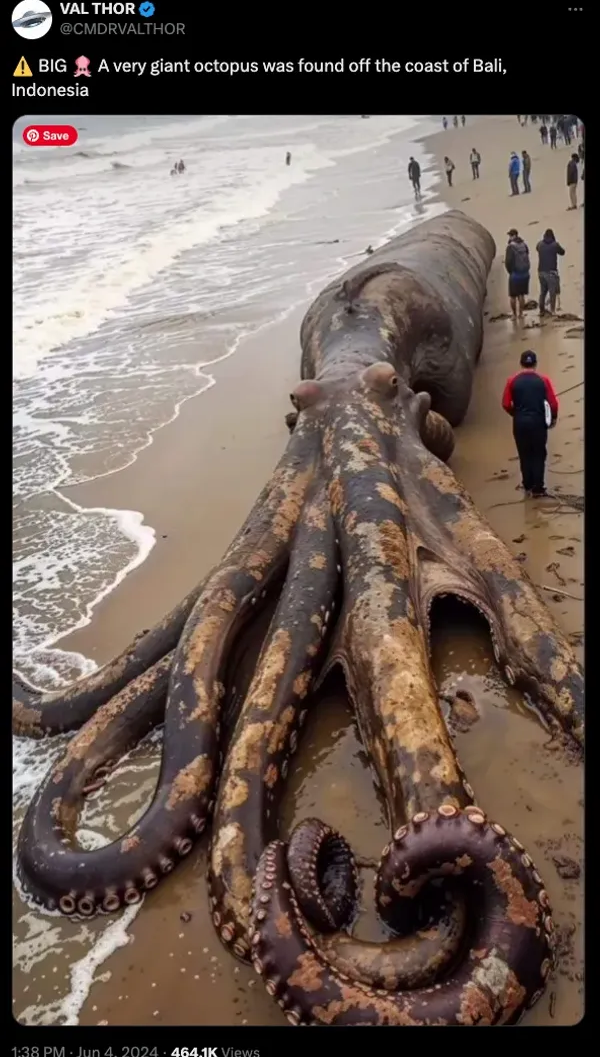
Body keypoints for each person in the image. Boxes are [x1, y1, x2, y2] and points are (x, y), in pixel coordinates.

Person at [501, 350, 558, 497]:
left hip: (520, 423)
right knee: (539, 453)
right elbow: (553, 403)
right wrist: (553, 418)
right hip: (538, 422)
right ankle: (538, 488)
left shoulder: (512, 381)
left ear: (521, 364)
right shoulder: (543, 380)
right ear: (535, 364)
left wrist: (515, 413)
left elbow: (506, 404)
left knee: (524, 453)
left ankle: (528, 485)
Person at [536, 228, 565, 316]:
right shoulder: (555, 245)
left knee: (543, 292)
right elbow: (562, 252)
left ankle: (541, 310)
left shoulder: (539, 244)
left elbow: (537, 249)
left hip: (541, 271)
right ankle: (552, 310)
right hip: (551, 272)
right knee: (552, 292)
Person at [504, 229, 531, 318]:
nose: (509, 237)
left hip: (515, 274)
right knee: (521, 295)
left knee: (513, 296)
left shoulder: (510, 247)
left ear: (514, 236)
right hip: (525, 274)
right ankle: (521, 313)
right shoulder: (524, 245)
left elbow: (508, 262)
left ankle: (514, 315)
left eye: (510, 235)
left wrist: (510, 272)